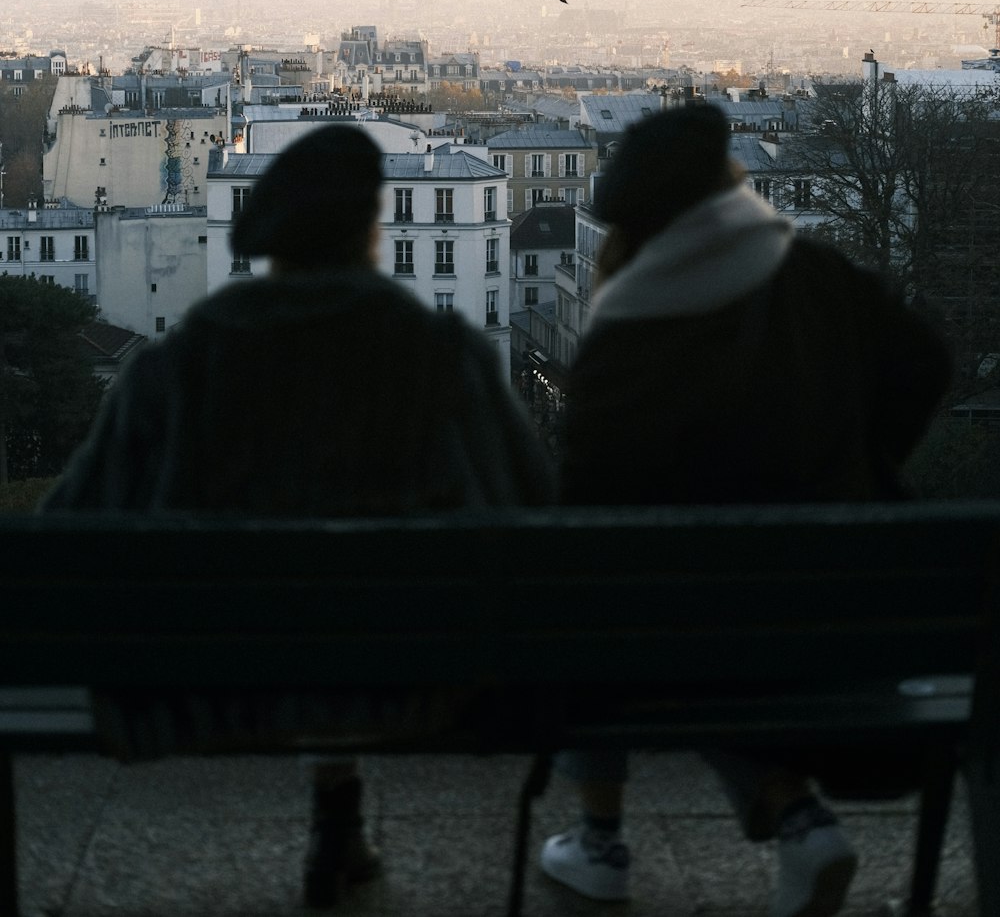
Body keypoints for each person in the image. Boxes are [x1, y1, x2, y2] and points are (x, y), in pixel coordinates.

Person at [42, 124, 554, 907]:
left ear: (264, 238)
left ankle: (336, 819)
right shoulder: (440, 351)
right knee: (357, 613)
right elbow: (533, 514)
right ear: (374, 232)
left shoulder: (178, 362)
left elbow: (71, 525)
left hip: (213, 683)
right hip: (425, 678)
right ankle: (339, 818)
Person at [539, 104, 952, 917]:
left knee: (601, 616)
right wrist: (861, 463)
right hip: (850, 609)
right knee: (711, 617)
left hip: (700, 634)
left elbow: (589, 527)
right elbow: (926, 363)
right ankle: (793, 817)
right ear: (732, 189)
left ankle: (603, 840)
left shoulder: (622, 346)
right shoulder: (816, 273)